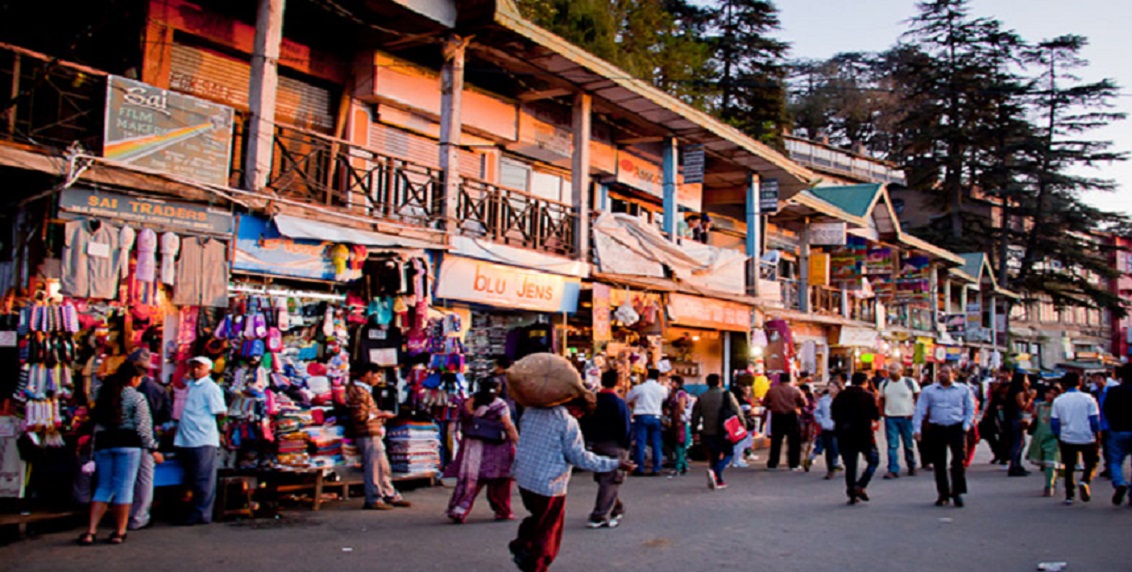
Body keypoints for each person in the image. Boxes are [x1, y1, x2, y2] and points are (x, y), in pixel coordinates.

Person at [509, 395, 635, 572]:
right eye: (581, 412)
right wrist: (615, 463)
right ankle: (536, 565)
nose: (581, 417)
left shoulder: (532, 412)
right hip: (549, 483)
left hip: (524, 477)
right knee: (548, 530)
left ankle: (523, 545)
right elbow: (580, 458)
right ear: (574, 406)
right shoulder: (567, 422)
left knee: (537, 517)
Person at [79, 362, 162, 545]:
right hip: (128, 444)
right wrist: (153, 448)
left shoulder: (103, 394)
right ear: (133, 379)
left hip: (104, 444)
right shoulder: (137, 398)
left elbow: (96, 425)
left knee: (103, 487)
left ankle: (91, 531)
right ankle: (120, 531)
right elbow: (143, 428)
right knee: (124, 487)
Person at [446, 377, 518, 523]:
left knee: (470, 480)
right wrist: (518, 443)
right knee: (500, 481)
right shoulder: (499, 405)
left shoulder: (466, 402)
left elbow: (455, 423)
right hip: (495, 448)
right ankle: (502, 511)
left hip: (470, 446)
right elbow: (508, 426)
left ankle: (459, 509)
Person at [348, 363, 412, 511]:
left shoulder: (363, 391)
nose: (378, 379)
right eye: (376, 375)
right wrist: (382, 414)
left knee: (383, 466)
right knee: (374, 467)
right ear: (368, 374)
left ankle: (390, 494)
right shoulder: (358, 392)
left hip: (373, 432)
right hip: (367, 433)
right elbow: (360, 416)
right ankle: (374, 498)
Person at [174, 356, 226, 525]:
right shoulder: (191, 386)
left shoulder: (211, 388)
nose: (196, 370)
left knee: (203, 479)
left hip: (203, 437)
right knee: (191, 477)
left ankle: (202, 513)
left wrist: (220, 430)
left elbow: (220, 411)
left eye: (200, 367)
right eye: (194, 367)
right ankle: (191, 510)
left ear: (208, 369)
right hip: (187, 437)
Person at [913, 365, 975, 507]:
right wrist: (917, 429)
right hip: (937, 428)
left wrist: (966, 425)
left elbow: (970, 408)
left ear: (953, 374)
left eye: (946, 372)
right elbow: (920, 409)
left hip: (956, 427)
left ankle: (957, 492)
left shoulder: (963, 390)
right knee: (939, 463)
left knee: (959, 461)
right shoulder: (929, 391)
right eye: (941, 372)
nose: (943, 374)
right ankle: (943, 493)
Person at [581, 369, 631, 528]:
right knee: (610, 480)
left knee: (604, 477)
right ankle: (599, 515)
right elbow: (625, 427)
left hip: (596, 444)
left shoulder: (594, 401)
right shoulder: (618, 403)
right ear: (617, 382)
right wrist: (626, 446)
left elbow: (585, 422)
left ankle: (616, 506)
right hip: (614, 444)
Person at [126, 348, 169, 531]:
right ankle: (138, 516)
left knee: (128, 479)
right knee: (143, 479)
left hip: (132, 439)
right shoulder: (156, 389)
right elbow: (163, 417)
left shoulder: (131, 391)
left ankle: (132, 515)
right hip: (143, 438)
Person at [1051, 372, 1101, 505]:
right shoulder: (1088, 398)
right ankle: (1085, 480)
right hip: (1086, 435)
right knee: (1091, 461)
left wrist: (1058, 436)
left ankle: (1069, 495)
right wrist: (1097, 434)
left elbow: (1055, 423)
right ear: (1079, 382)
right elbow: (1094, 421)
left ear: (1064, 384)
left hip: (1067, 437)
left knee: (1069, 467)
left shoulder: (1059, 400)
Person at [832, 372, 881, 505]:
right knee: (874, 460)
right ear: (865, 382)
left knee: (850, 465)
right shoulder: (868, 396)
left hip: (845, 434)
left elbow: (834, 413)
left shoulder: (841, 396)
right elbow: (876, 415)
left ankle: (852, 492)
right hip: (863, 434)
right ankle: (861, 484)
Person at [691, 373, 745, 490]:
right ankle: (716, 472)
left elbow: (695, 415)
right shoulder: (727, 394)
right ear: (719, 382)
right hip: (724, 430)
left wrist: (694, 429)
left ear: (707, 383)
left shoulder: (702, 397)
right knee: (728, 453)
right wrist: (743, 424)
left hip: (708, 431)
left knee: (713, 456)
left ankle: (717, 480)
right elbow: (737, 410)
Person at [625, 368, 668, 476]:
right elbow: (665, 399)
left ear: (646, 376)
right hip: (656, 416)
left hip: (641, 416)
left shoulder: (639, 388)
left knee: (640, 443)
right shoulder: (662, 389)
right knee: (656, 443)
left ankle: (639, 468)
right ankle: (656, 468)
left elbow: (627, 398)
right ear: (658, 377)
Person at [879, 364, 920, 479]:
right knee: (892, 445)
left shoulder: (909, 382)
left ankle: (911, 465)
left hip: (907, 417)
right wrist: (882, 413)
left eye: (893, 369)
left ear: (901, 371)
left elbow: (918, 397)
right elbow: (881, 399)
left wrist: (915, 412)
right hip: (891, 417)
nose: (891, 371)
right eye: (889, 369)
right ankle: (892, 469)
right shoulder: (884, 384)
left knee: (909, 444)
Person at [763, 372, 806, 471]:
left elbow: (765, 403)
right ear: (789, 380)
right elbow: (803, 403)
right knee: (794, 441)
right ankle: (793, 463)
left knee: (776, 441)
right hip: (791, 416)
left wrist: (773, 406)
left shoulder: (772, 390)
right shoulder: (795, 390)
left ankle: (773, 463)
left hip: (777, 416)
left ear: (779, 380)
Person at [1026, 383, 1062, 497]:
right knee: (1048, 463)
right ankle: (1051, 481)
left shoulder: (1061, 405)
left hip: (1055, 437)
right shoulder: (1040, 406)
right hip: (1041, 436)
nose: (1050, 395)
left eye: (1053, 393)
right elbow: (1034, 417)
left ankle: (1049, 485)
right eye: (1048, 393)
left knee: (1051, 461)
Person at [1103, 363, 1132, 505]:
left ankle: (1119, 482)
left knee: (1115, 461)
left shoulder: (1113, 391)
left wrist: (1112, 424)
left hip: (1117, 430)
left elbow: (1106, 409)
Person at [1005, 372, 1035, 476]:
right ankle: (1014, 465)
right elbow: (1023, 406)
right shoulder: (1018, 392)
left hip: (1013, 418)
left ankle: (1017, 464)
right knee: (1018, 443)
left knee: (1020, 443)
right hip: (1015, 419)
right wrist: (1031, 399)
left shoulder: (1015, 390)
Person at [812, 383, 841, 480]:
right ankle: (830, 469)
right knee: (829, 448)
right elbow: (817, 412)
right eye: (829, 386)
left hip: (841, 427)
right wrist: (821, 421)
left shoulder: (843, 398)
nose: (830, 388)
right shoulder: (824, 399)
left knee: (841, 447)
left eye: (833, 386)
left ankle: (842, 464)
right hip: (827, 426)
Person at [664, 375, 691, 476]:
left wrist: (678, 418)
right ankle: (683, 465)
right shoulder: (675, 393)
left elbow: (681, 407)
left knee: (679, 443)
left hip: (679, 422)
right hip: (677, 422)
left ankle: (679, 466)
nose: (670, 384)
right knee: (679, 443)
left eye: (672, 382)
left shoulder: (680, 394)